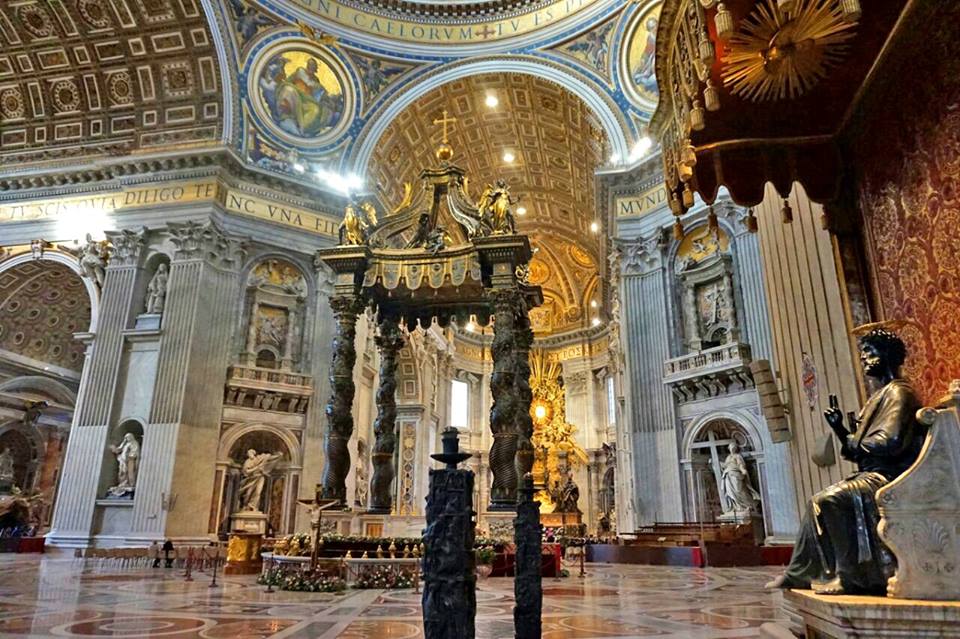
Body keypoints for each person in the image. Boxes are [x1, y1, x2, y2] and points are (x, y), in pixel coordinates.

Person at [766, 327, 926, 595]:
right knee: (816, 502)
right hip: (872, 473)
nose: (864, 358)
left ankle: (852, 577)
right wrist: (839, 428)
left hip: (892, 476)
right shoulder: (878, 397)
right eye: (863, 353)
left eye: (870, 352)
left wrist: (854, 440)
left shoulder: (900, 393)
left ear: (887, 355)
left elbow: (890, 442)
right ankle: (799, 574)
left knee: (829, 500)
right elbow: (856, 452)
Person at [719, 442, 760, 516]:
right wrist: (718, 463)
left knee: (738, 490)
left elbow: (741, 464)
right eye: (731, 447)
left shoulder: (738, 456)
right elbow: (725, 465)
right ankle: (737, 507)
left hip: (736, 475)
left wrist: (743, 470)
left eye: (734, 447)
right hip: (728, 475)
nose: (732, 448)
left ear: (736, 448)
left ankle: (748, 505)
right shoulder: (728, 457)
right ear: (729, 448)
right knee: (729, 492)